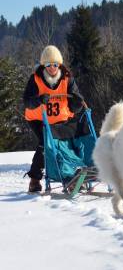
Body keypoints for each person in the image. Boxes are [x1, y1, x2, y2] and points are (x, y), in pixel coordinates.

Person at [23, 45, 84, 192]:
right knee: (46, 144)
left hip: (59, 119)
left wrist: (77, 104)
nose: (52, 68)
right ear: (44, 65)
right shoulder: (35, 79)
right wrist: (38, 99)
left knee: (64, 145)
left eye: (55, 64)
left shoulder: (67, 79)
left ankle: (69, 175)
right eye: (49, 65)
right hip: (38, 119)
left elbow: (77, 102)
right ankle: (35, 179)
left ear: (59, 64)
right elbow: (27, 101)